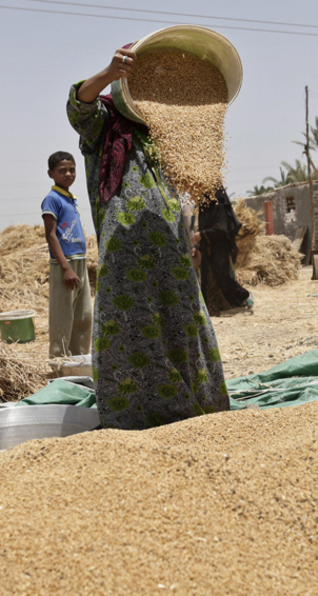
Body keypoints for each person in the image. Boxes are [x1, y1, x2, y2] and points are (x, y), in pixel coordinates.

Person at [66, 45, 229, 430]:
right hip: (125, 251)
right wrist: (109, 72)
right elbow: (78, 106)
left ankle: (196, 403)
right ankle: (134, 414)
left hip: (171, 248)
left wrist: (188, 235)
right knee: (130, 324)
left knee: (182, 320)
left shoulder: (164, 135)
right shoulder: (104, 125)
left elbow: (179, 192)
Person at [41, 151, 93, 360]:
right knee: (63, 317)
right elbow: (51, 235)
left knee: (84, 316)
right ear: (51, 173)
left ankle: (79, 361)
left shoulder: (70, 199)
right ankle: (59, 363)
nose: (68, 174)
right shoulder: (52, 200)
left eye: (72, 170)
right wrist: (65, 268)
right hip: (65, 264)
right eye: (62, 171)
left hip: (80, 261)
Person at [192, 186, 253, 316]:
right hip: (206, 246)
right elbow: (201, 229)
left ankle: (244, 296)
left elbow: (222, 229)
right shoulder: (203, 208)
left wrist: (203, 234)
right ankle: (207, 308)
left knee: (222, 275)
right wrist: (196, 246)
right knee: (205, 277)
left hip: (220, 246)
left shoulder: (218, 207)